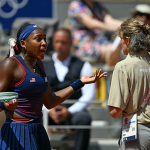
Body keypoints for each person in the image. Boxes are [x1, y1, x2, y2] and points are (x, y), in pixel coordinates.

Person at [0, 23, 107, 150]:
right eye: (38, 39)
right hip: (17, 131)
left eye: (45, 38)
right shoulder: (10, 64)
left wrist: (80, 82)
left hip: (38, 130)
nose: (44, 43)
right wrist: (4, 105)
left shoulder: (40, 65)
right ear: (23, 43)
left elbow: (50, 101)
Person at [44, 28, 96, 150]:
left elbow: (89, 96)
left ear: (71, 43)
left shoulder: (83, 65)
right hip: (49, 111)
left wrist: (69, 111)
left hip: (74, 112)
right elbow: (38, 94)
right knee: (32, 117)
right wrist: (49, 110)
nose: (59, 45)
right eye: (56, 41)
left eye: (63, 42)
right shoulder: (43, 66)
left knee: (84, 119)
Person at [107, 18, 150, 150]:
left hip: (138, 131)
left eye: (120, 39)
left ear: (127, 40)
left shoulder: (123, 66)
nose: (120, 43)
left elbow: (115, 111)